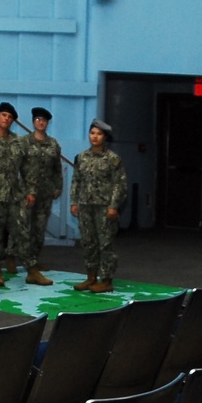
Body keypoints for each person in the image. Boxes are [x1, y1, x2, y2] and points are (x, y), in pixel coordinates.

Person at [0, 101, 52, 287]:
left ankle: (32, 270)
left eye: (10, 117)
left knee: (23, 232)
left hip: (15, 195)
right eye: (3, 115)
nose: (6, 119)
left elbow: (27, 169)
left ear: (12, 121)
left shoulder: (18, 142)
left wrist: (30, 191)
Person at [69, 118, 126, 293]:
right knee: (88, 243)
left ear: (105, 137)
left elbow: (120, 184)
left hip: (104, 207)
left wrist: (113, 206)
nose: (95, 137)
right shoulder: (82, 157)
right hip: (86, 206)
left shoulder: (112, 159)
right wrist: (74, 201)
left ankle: (106, 280)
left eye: (99, 134)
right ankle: (91, 277)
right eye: (92, 133)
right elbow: (76, 181)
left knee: (105, 244)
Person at [21, 106, 64, 272]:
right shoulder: (24, 142)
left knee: (39, 229)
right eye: (38, 120)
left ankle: (33, 260)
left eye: (44, 120)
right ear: (33, 122)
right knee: (22, 227)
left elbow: (57, 168)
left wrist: (58, 187)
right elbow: (18, 166)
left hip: (45, 193)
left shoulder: (53, 144)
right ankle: (14, 257)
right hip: (26, 193)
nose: (41, 122)